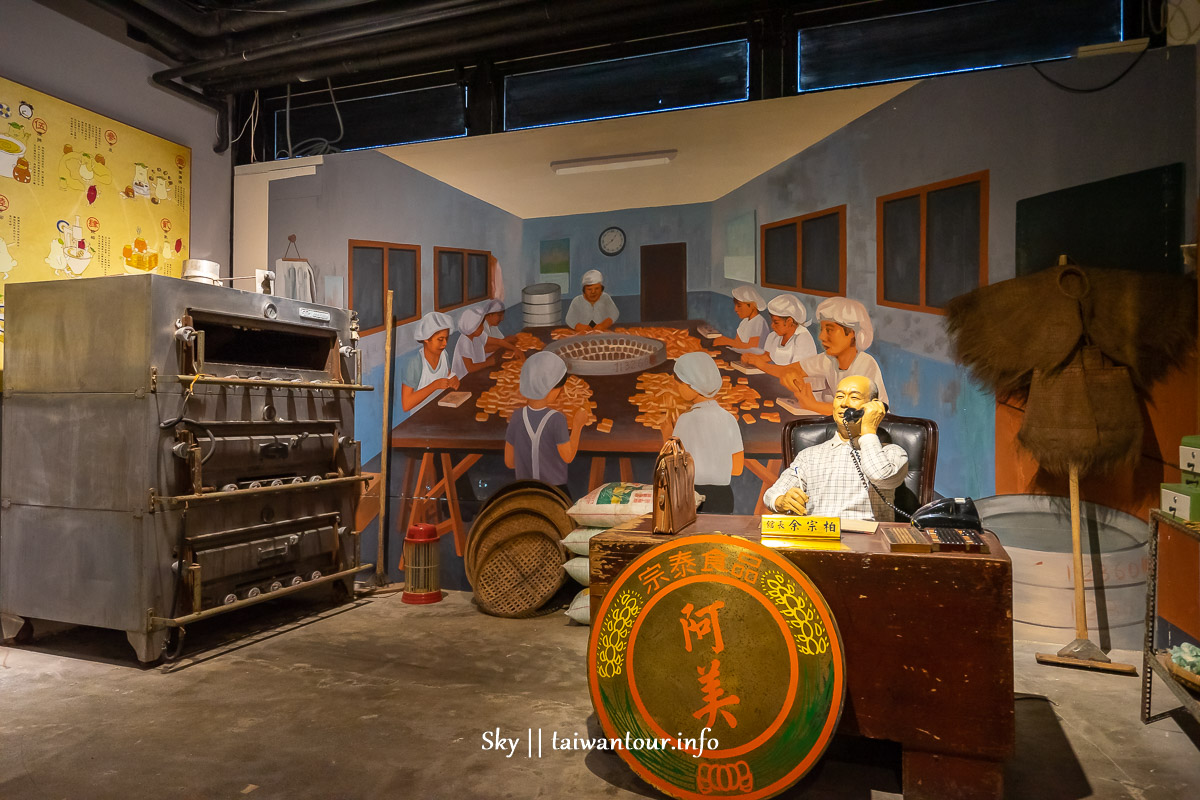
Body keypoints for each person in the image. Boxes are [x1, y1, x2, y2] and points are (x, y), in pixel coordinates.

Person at [762, 375, 908, 521]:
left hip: (868, 540)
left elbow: (879, 475)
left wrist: (868, 429)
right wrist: (780, 501)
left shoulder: (892, 453)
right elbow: (772, 494)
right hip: (818, 538)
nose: (844, 403)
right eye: (839, 396)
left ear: (873, 406)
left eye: (854, 397)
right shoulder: (809, 456)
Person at [662, 352, 744, 514]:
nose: (678, 389)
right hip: (724, 498)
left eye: (679, 384)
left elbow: (673, 465)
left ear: (692, 385)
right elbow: (737, 469)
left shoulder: (686, 420)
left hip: (692, 496)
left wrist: (666, 433)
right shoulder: (729, 419)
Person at [782, 296, 887, 417]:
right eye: (822, 329)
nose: (821, 336)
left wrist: (812, 405)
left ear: (852, 333)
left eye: (829, 330)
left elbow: (854, 411)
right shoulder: (829, 359)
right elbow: (794, 369)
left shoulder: (865, 365)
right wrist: (791, 375)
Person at [504, 352, 589, 496]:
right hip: (554, 492)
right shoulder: (557, 419)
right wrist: (578, 425)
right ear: (551, 389)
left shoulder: (517, 416)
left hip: (523, 492)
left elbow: (509, 462)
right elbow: (568, 457)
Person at [741, 293, 816, 378]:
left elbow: (794, 372)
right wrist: (751, 358)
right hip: (779, 381)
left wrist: (761, 365)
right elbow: (768, 356)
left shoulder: (803, 339)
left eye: (776, 322)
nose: (772, 325)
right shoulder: (774, 336)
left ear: (789, 321)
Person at [400, 311, 459, 412]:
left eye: (446, 338)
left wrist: (453, 379)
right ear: (426, 339)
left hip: (441, 410)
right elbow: (406, 404)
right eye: (440, 339)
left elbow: (448, 375)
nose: (445, 343)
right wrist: (434, 386)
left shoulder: (444, 354)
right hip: (420, 417)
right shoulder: (415, 363)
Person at [712, 285, 769, 351]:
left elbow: (752, 348)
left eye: (739, 306)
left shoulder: (759, 322)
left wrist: (727, 341)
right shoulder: (744, 322)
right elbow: (737, 344)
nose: (735, 309)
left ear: (752, 305)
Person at [450, 306, 494, 379]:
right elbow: (470, 368)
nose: (483, 328)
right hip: (463, 379)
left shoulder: (476, 336)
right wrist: (488, 363)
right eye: (480, 326)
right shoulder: (465, 341)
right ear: (472, 326)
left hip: (475, 374)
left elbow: (485, 349)